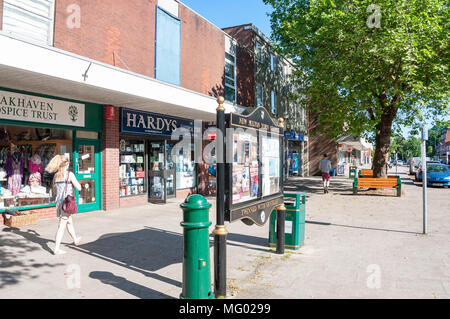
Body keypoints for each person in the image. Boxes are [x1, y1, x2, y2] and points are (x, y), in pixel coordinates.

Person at [45, 155, 82, 255]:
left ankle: (75, 239)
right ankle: (56, 249)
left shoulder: (56, 176)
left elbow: (54, 190)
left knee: (69, 222)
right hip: (66, 203)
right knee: (61, 226)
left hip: (59, 202)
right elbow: (79, 188)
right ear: (67, 164)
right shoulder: (70, 174)